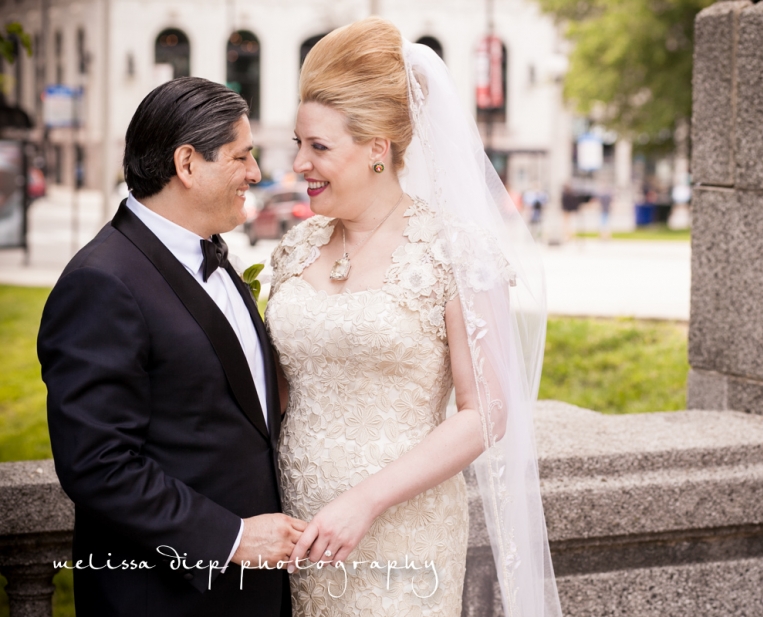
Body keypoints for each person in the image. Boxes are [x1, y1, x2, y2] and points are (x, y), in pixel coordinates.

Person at [266, 18, 562, 617]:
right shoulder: (293, 249)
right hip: (293, 530)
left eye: (319, 147)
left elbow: (488, 412)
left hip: (402, 528)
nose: (300, 163)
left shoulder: (457, 252)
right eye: (299, 144)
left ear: (378, 150)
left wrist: (364, 502)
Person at [38, 77, 306, 616]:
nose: (256, 173)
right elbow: (97, 463)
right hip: (164, 597)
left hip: (252, 593)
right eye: (241, 156)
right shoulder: (102, 281)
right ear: (187, 164)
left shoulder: (212, 253)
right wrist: (230, 539)